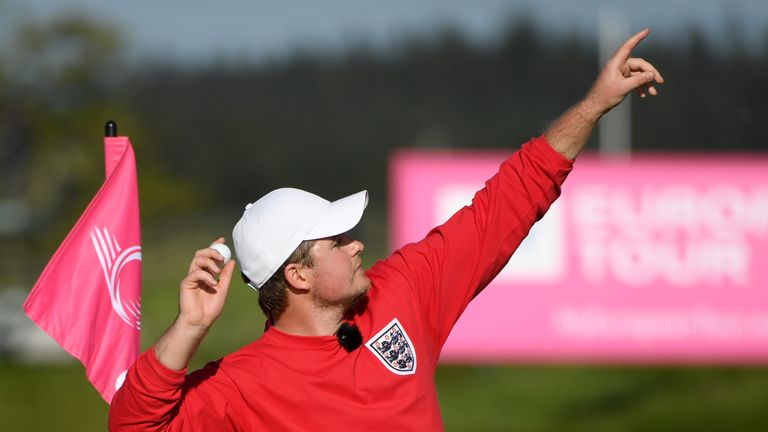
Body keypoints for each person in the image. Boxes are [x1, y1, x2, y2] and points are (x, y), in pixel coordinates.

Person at [109, 29, 663, 431]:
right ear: (297, 275)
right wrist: (188, 329)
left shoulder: (401, 288)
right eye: (336, 239)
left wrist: (593, 105)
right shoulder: (238, 385)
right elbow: (132, 428)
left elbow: (506, 203)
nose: (357, 245)